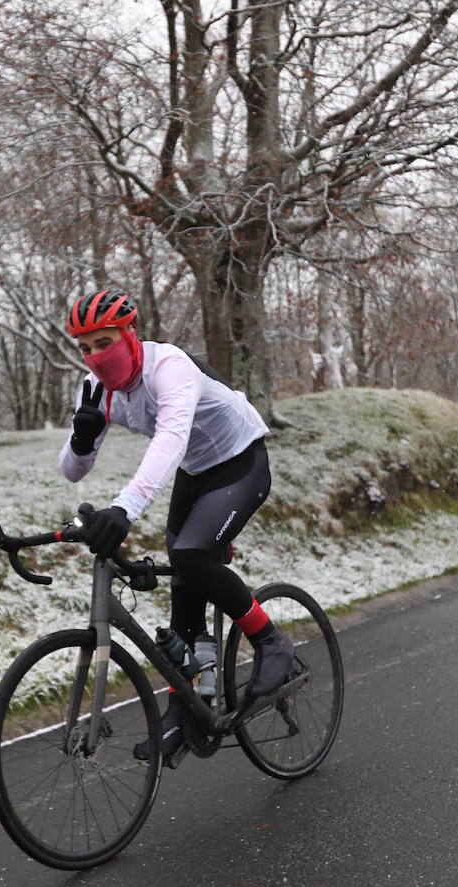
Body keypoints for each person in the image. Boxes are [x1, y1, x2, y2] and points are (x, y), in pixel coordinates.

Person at [58, 288, 294, 765]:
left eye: (104, 342)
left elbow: (170, 439)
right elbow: (72, 470)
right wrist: (82, 440)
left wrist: (123, 510)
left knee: (190, 554)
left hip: (240, 463)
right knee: (184, 583)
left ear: (130, 334)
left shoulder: (169, 368)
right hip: (195, 474)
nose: (95, 356)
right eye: (84, 348)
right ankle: (186, 708)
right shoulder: (96, 390)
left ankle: (271, 640)